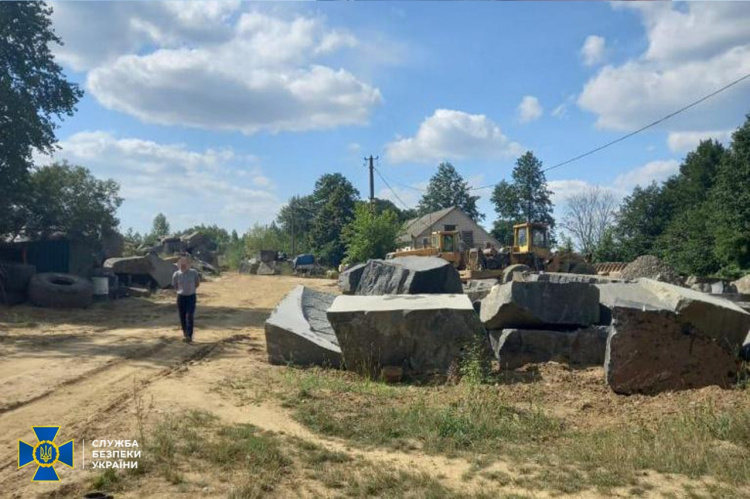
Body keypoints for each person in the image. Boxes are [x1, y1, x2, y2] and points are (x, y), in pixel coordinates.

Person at [172, 255, 200, 343]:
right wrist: (181, 291)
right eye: (181, 264)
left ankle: (189, 335)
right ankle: (185, 334)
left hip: (191, 296)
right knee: (182, 317)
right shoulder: (176, 274)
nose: (183, 266)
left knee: (189, 316)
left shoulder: (194, 273)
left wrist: (190, 290)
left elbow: (197, 284)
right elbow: (175, 286)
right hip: (181, 297)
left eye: (185, 264)